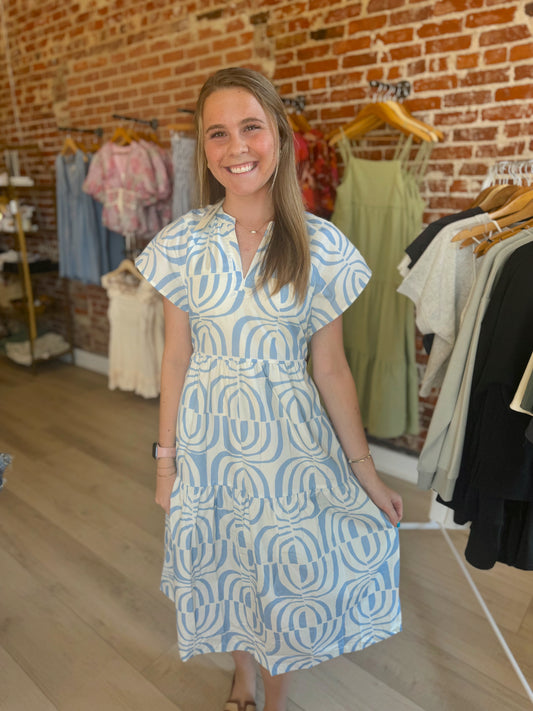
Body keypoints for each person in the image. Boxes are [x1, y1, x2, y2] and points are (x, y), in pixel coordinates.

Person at [136, 67, 403, 711]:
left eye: (251, 127)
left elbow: (331, 369)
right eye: (218, 134)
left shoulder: (320, 245)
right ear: (204, 148)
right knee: (229, 562)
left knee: (286, 572)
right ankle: (242, 674)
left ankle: (274, 693)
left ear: (279, 136)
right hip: (210, 440)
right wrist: (165, 463)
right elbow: (175, 359)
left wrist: (365, 471)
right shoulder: (184, 242)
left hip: (290, 446)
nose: (237, 148)